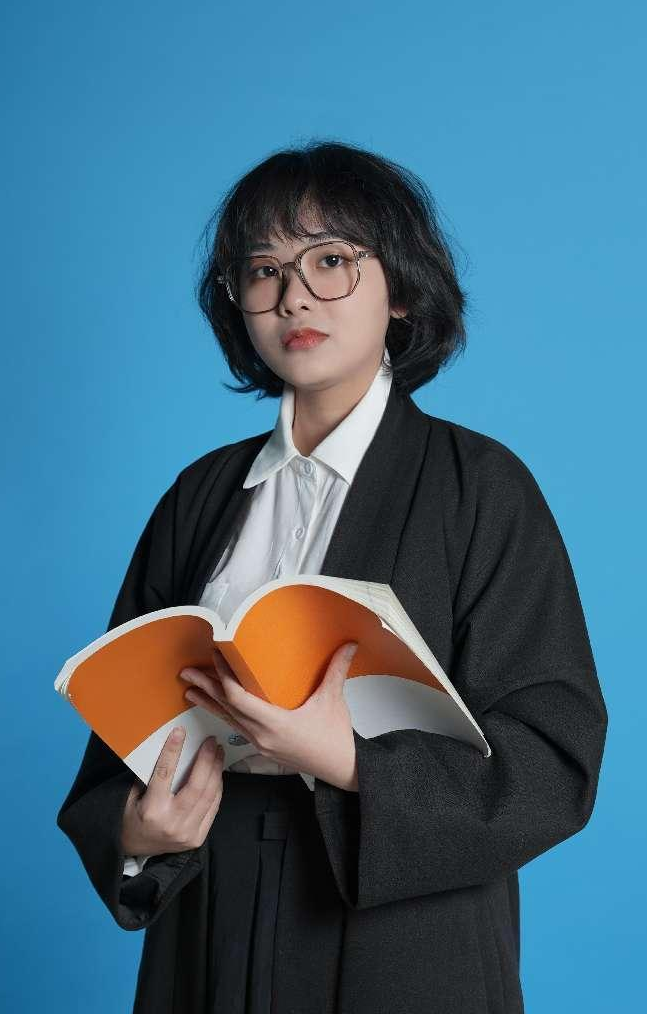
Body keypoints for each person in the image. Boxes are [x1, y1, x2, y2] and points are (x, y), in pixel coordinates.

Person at [56, 140, 608, 1014]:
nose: (293, 296)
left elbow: (552, 763)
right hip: (211, 920)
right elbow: (116, 742)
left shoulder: (480, 486)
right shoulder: (199, 496)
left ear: (401, 290)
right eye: (263, 269)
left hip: (404, 945)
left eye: (330, 260)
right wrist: (139, 832)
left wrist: (347, 760)